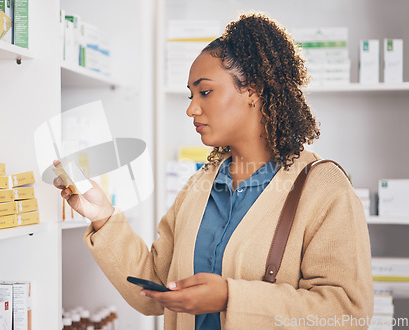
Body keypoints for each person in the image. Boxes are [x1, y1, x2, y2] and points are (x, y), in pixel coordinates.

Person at [54, 13, 373, 329]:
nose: (191, 108)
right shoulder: (199, 186)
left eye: (205, 92)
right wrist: (103, 215)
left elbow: (347, 312)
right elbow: (155, 290)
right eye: (190, 95)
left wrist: (230, 299)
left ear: (254, 90)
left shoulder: (324, 188)